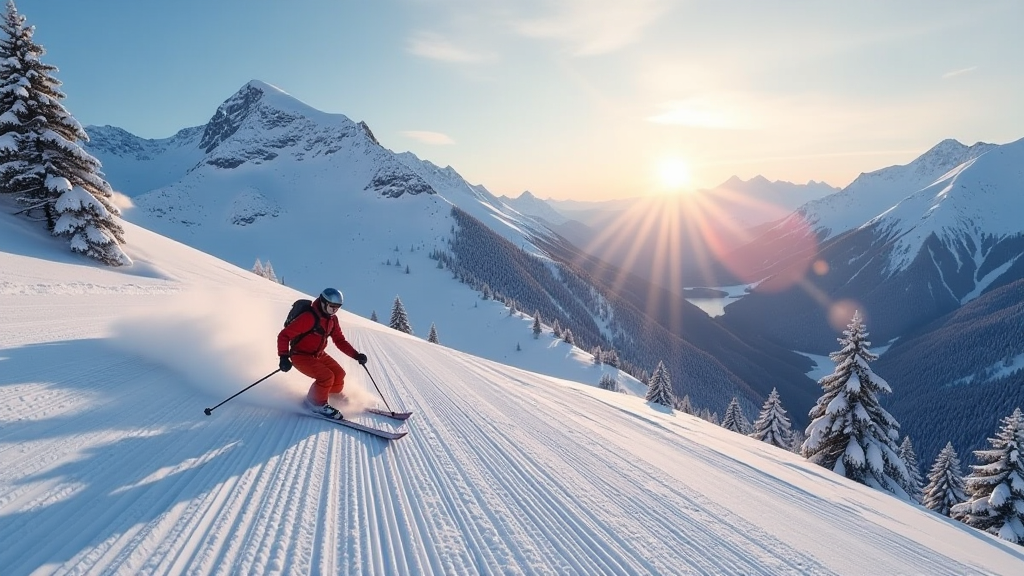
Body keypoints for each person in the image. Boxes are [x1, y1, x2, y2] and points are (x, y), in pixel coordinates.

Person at [277, 288, 368, 420]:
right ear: (323, 303)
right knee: (326, 376)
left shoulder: (332, 320)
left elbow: (339, 340)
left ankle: (331, 395)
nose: (334, 311)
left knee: (339, 374)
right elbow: (284, 335)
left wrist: (356, 355)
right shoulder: (308, 317)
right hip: (301, 355)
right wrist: (283, 357)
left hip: (318, 354)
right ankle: (315, 403)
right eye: (332, 307)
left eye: (337, 308)